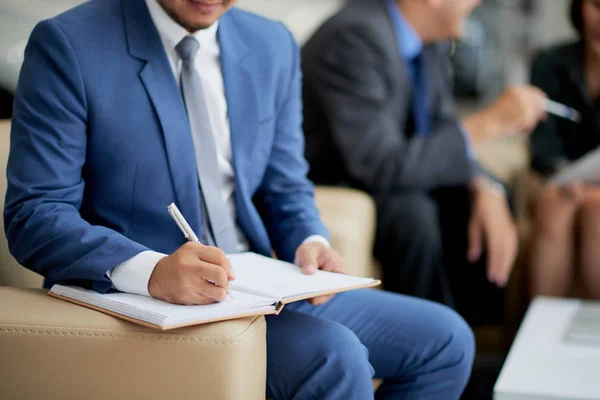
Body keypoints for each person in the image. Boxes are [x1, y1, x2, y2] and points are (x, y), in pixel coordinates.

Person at [4, 0, 475, 398]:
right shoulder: (69, 45)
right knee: (335, 357)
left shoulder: (271, 44)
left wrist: (308, 238)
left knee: (446, 340)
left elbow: (285, 183)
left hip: (254, 285)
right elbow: (34, 214)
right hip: (141, 301)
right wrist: (150, 272)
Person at [302, 0, 547, 323]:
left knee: (479, 198)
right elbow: (379, 163)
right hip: (346, 179)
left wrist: (485, 187)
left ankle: (481, 347)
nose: (478, 3)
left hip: (393, 174)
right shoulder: (354, 36)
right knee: (413, 215)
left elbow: (442, 128)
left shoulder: (428, 42)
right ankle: (427, 345)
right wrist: (491, 122)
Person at [529, 0, 600, 299]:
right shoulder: (550, 63)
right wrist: (565, 175)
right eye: (597, 6)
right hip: (557, 182)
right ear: (581, 7)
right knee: (555, 207)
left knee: (597, 210)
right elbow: (543, 140)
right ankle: (538, 336)